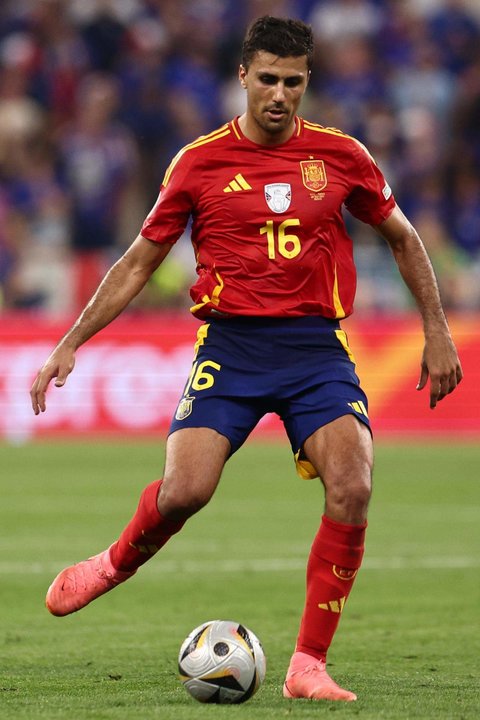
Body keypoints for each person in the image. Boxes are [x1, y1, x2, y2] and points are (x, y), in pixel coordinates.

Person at [30, 16, 462, 703]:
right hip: (231, 347)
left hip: (316, 348)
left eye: (293, 82)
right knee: (185, 493)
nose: (280, 94)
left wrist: (436, 330)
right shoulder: (198, 162)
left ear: (307, 82)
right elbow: (142, 260)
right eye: (267, 79)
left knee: (353, 485)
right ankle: (113, 564)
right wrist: (72, 340)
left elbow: (406, 239)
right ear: (243, 76)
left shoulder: (341, 155)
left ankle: (307, 666)